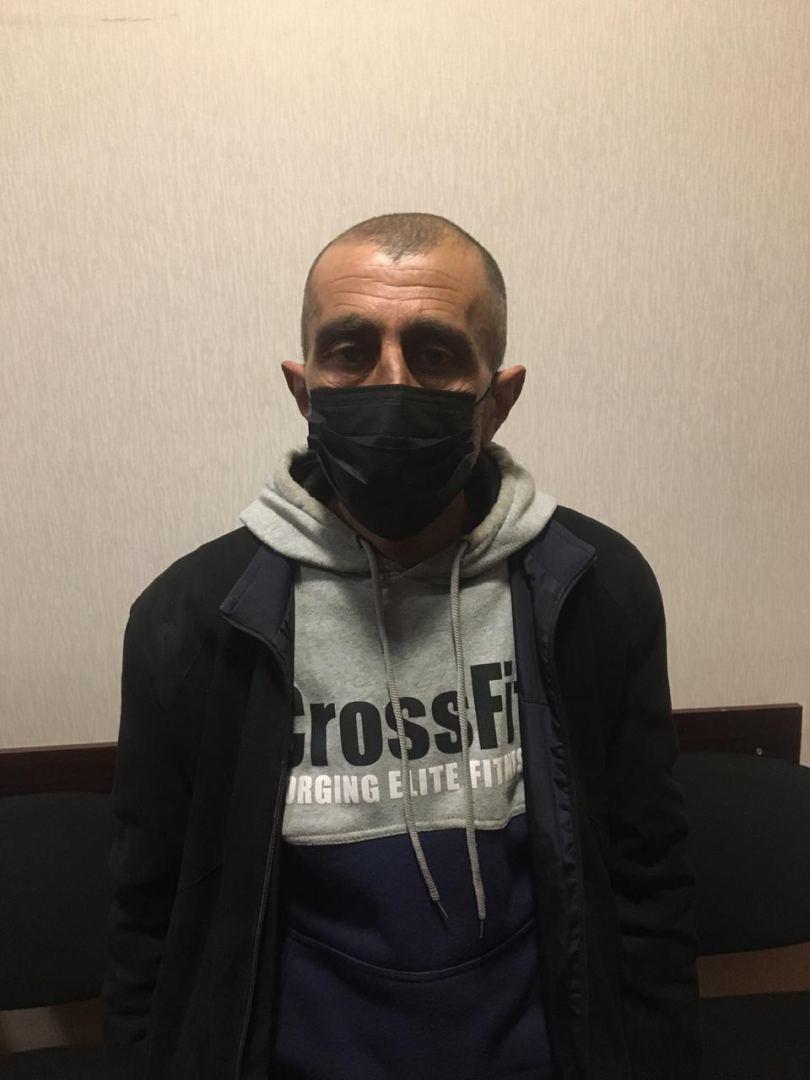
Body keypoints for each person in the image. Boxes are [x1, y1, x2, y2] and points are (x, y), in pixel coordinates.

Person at [101, 212, 702, 1080]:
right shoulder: (194, 619)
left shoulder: (594, 592)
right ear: (304, 390)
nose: (392, 382)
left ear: (498, 399)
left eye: (435, 353)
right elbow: (151, 930)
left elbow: (649, 894)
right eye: (351, 351)